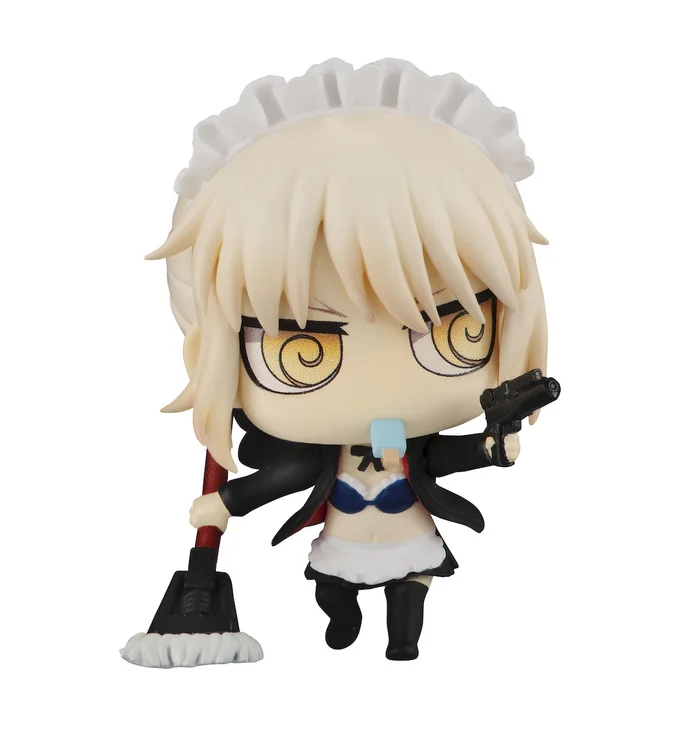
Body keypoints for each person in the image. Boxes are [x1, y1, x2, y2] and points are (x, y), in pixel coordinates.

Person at [148, 58, 549, 660]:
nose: (379, 386)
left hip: (410, 534)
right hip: (341, 538)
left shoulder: (413, 444)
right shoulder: (318, 452)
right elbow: (282, 477)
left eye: (451, 330)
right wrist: (226, 502)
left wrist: (493, 448)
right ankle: (341, 616)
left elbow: (446, 456)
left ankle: (403, 640)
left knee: (412, 589)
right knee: (332, 587)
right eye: (300, 350)